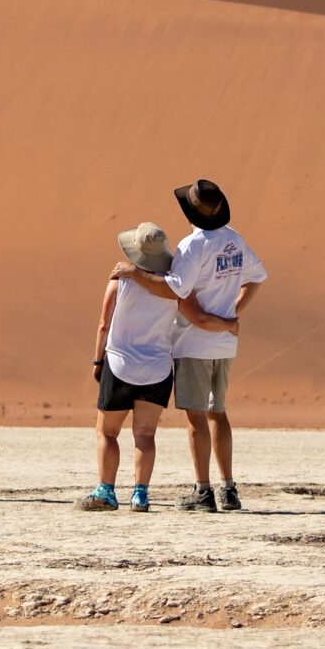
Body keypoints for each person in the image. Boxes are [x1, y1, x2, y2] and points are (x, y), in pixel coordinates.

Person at [112, 178, 266, 512]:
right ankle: (229, 489)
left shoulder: (193, 245)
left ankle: (203, 490)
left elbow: (175, 290)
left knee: (197, 418)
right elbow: (257, 278)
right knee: (219, 413)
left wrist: (134, 273)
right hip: (224, 344)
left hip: (193, 342)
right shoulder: (234, 239)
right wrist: (233, 313)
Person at [82, 222, 238, 512]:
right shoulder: (173, 288)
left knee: (107, 432)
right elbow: (198, 317)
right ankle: (140, 494)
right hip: (157, 370)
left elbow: (104, 325)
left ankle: (106, 490)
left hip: (120, 364)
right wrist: (229, 324)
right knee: (144, 435)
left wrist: (98, 360)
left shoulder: (119, 281)